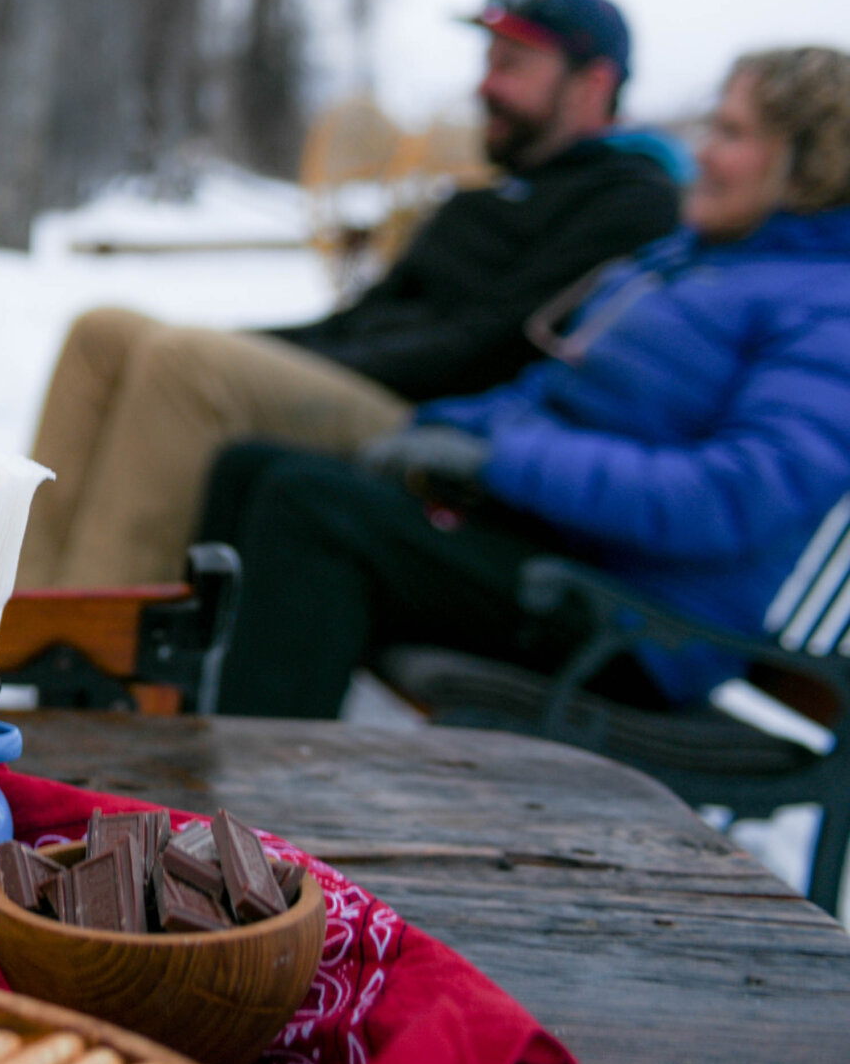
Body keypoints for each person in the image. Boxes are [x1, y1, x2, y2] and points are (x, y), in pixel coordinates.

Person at [203, 46, 850, 720]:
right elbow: (555, 390)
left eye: (733, 133)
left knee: (315, 510)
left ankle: (251, 797)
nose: (705, 153)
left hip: (637, 625)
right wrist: (445, 430)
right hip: (557, 555)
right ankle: (185, 723)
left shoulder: (828, 306)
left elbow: (727, 499)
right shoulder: (691, 262)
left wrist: (500, 462)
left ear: (810, 160)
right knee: (252, 466)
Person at [18, 0, 684, 589]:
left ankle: (96, 657)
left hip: (438, 424)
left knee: (187, 366)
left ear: (592, 85)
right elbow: (358, 318)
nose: (486, 86)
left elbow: (487, 347)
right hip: (369, 380)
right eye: (488, 62)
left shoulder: (631, 200)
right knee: (108, 334)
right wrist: (253, 348)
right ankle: (27, 616)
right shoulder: (490, 196)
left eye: (512, 66)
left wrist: (255, 361)